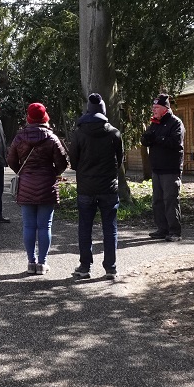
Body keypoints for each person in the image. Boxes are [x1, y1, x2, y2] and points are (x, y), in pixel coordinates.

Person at [7, 102, 69, 275]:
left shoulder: (19, 137)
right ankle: (42, 263)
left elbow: (10, 159)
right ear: (45, 117)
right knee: (44, 226)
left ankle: (30, 262)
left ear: (28, 117)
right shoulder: (51, 138)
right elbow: (63, 162)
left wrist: (22, 171)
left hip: (26, 184)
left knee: (28, 226)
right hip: (47, 185)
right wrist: (51, 172)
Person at [68, 93, 125, 279]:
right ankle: (111, 267)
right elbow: (119, 160)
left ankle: (85, 267)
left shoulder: (78, 134)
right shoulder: (114, 133)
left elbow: (74, 162)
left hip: (86, 187)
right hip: (108, 187)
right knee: (110, 228)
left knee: (85, 227)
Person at [142, 93, 185, 242]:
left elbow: (175, 143)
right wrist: (146, 139)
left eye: (156, 107)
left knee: (170, 200)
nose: (153, 110)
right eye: (153, 107)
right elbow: (147, 139)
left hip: (171, 169)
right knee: (157, 201)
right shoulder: (155, 123)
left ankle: (175, 232)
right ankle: (162, 229)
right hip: (157, 169)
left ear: (165, 108)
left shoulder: (176, 123)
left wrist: (158, 139)